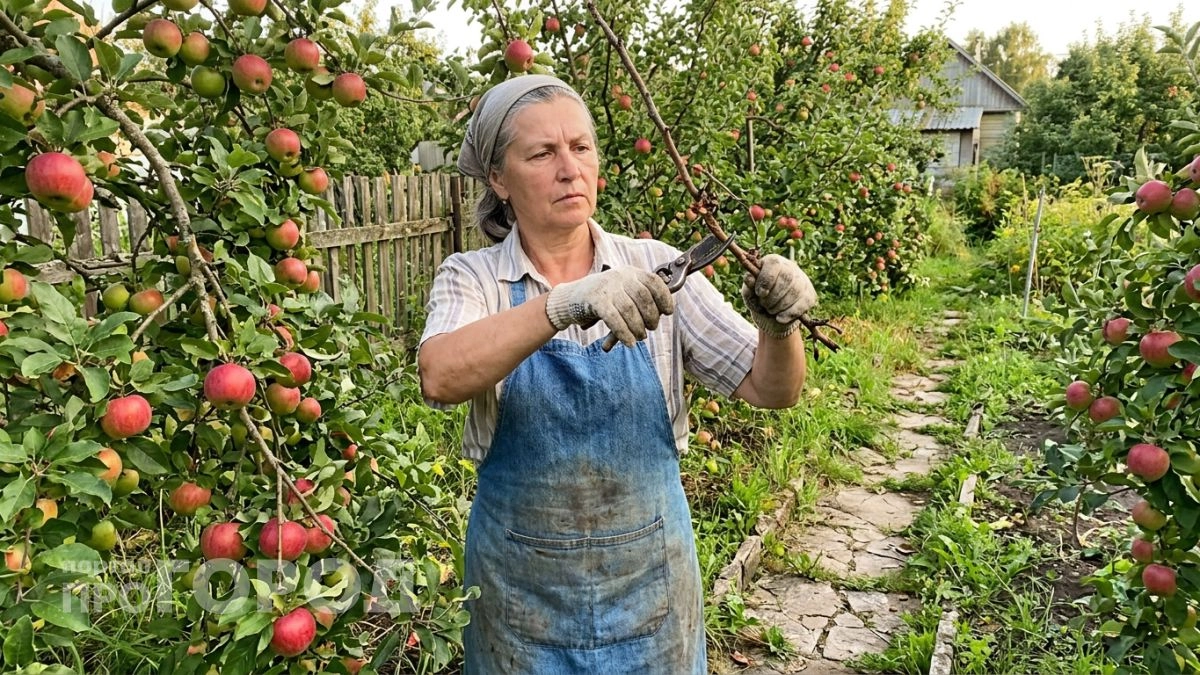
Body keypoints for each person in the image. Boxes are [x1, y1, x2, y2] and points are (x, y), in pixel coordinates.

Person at [418, 74, 818, 675]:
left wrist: (779, 327)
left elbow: (773, 389)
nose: (569, 169)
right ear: (499, 179)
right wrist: (564, 303)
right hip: (521, 603)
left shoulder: (657, 268)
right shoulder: (472, 278)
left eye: (580, 148)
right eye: (542, 153)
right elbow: (440, 376)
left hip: (649, 594)